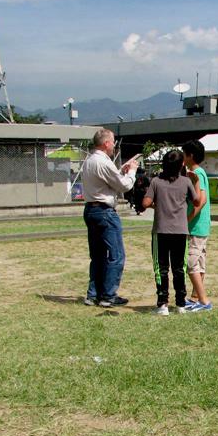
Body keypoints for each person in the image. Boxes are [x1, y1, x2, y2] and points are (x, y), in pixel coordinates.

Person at [81, 128, 138, 307]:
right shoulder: (103, 162)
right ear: (106, 143)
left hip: (90, 209)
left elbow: (107, 181)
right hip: (105, 212)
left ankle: (93, 294)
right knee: (116, 255)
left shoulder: (89, 160)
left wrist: (120, 170)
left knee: (97, 255)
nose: (114, 145)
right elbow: (123, 186)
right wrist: (132, 172)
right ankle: (108, 295)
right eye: (113, 141)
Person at [142, 150, 198, 315]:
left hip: (161, 231)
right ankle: (181, 303)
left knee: (161, 268)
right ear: (181, 165)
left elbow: (145, 203)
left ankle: (162, 304)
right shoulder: (186, 182)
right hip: (181, 231)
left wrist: (157, 204)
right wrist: (195, 183)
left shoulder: (156, 182)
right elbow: (196, 201)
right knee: (179, 267)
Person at [181, 140, 213, 312]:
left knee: (191, 263)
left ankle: (203, 300)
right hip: (200, 226)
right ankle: (195, 298)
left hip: (196, 226)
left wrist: (187, 220)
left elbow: (201, 201)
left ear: (190, 155)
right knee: (199, 262)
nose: (182, 157)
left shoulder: (196, 174)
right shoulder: (198, 172)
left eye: (184, 154)